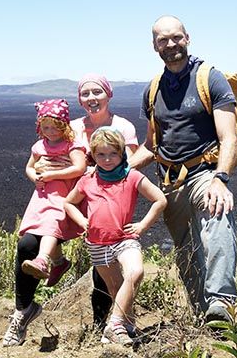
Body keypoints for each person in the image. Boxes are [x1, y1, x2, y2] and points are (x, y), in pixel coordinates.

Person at [129, 15, 237, 322]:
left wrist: (221, 178)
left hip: (205, 172)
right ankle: (203, 317)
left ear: (187, 38)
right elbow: (151, 145)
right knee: (186, 250)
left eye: (176, 37)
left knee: (217, 215)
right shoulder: (153, 90)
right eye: (163, 40)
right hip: (170, 181)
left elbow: (227, 135)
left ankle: (220, 302)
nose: (170, 44)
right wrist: (118, 169)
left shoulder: (209, 78)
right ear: (155, 46)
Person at [35, 73, 139, 331]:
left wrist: (98, 172)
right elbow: (51, 152)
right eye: (86, 93)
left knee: (106, 268)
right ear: (79, 98)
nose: (92, 98)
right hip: (73, 197)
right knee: (33, 242)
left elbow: (131, 162)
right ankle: (25, 311)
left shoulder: (124, 127)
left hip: (108, 202)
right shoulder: (72, 128)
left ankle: (112, 323)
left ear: (108, 94)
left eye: (97, 92)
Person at [64, 127, 167, 345]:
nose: (108, 159)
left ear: (122, 153)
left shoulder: (132, 176)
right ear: (93, 155)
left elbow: (160, 200)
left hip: (124, 239)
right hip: (97, 243)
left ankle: (114, 324)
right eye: (101, 154)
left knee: (136, 271)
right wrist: (82, 221)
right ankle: (127, 326)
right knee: (115, 288)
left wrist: (142, 226)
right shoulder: (88, 180)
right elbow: (68, 203)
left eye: (113, 153)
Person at [3, 99, 87, 347]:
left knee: (51, 225)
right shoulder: (39, 145)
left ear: (64, 125)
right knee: (30, 235)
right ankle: (59, 262)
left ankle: (44, 261)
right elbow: (29, 167)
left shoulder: (73, 144)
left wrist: (52, 174)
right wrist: (35, 178)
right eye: (46, 127)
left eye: (55, 127)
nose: (51, 132)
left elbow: (80, 167)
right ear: (40, 127)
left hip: (62, 196)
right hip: (40, 196)